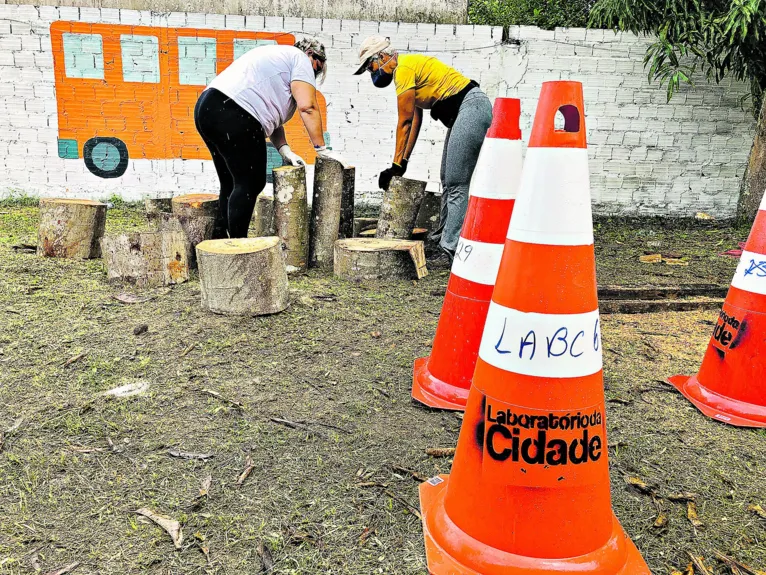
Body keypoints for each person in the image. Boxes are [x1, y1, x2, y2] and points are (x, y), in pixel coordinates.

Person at [354, 36, 493, 261]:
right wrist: (403, 163)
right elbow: (415, 121)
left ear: (382, 56)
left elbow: (404, 122)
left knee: (457, 182)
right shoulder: (407, 71)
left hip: (472, 106)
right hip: (464, 111)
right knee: (447, 179)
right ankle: (442, 239)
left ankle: (450, 248)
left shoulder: (403, 68)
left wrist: (395, 165)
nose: (372, 73)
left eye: (370, 66)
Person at [194, 38, 329, 238]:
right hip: (234, 111)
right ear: (310, 54)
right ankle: (239, 247)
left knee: (231, 182)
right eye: (316, 67)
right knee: (251, 183)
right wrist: (321, 149)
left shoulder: (279, 61)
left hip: (208, 107)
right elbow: (308, 107)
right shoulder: (300, 59)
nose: (314, 74)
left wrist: (285, 149)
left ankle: (220, 242)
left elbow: (272, 121)